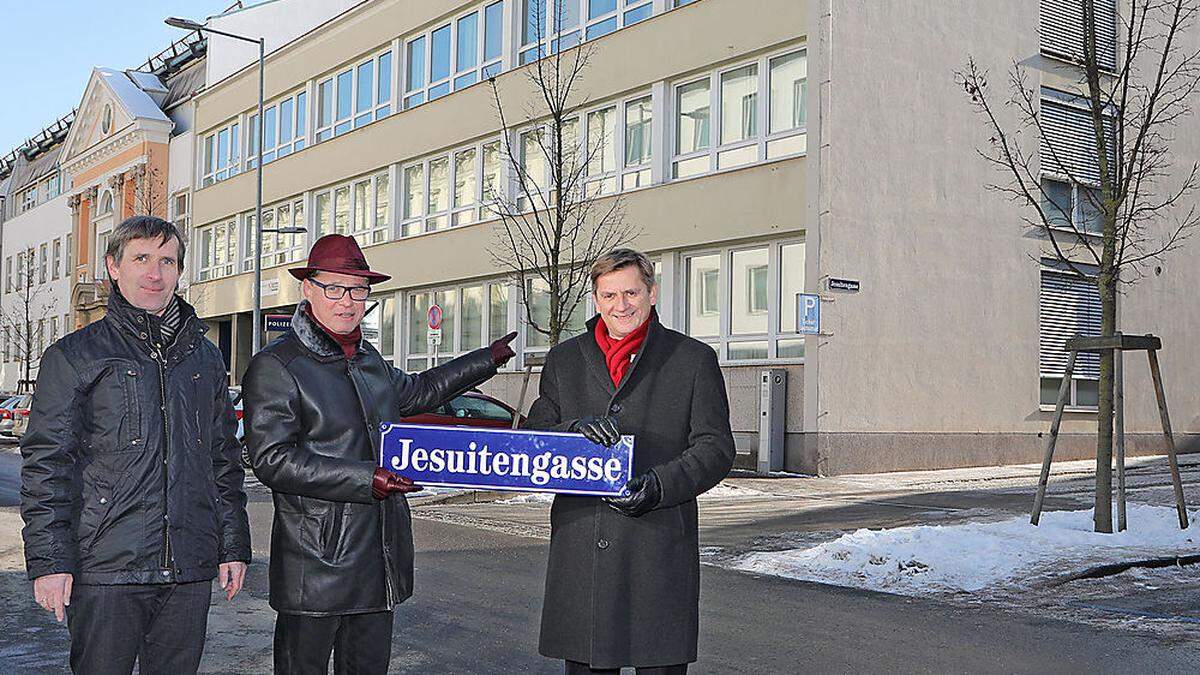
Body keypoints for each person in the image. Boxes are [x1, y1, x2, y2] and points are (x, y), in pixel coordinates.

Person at [242, 234, 517, 674]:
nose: (347, 300)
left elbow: (418, 391)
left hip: (377, 558)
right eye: (334, 287)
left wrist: (485, 358)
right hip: (316, 565)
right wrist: (366, 478)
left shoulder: (368, 359)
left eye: (358, 289)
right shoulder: (277, 365)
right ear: (308, 289)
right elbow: (273, 459)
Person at [20, 215, 251, 674]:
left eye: (167, 260)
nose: (154, 272)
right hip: (106, 566)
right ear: (113, 266)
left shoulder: (204, 357)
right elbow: (47, 464)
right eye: (141, 258)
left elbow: (222, 460)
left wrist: (232, 546)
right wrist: (49, 562)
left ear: (179, 271)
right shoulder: (75, 355)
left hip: (187, 567)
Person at [525, 248, 735, 674]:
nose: (620, 306)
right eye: (608, 296)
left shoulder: (692, 359)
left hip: (656, 551)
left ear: (652, 292)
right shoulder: (565, 360)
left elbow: (715, 448)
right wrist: (572, 433)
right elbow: (535, 439)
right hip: (583, 552)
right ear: (595, 298)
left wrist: (660, 485)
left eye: (631, 293)